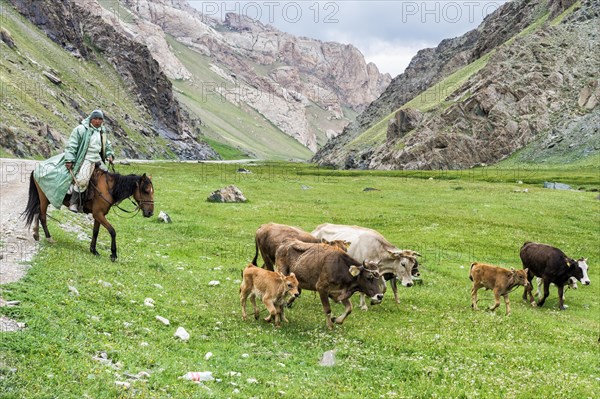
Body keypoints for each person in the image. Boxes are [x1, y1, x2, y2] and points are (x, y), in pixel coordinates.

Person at [64, 109, 115, 212]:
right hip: (85, 158)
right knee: (82, 180)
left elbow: (107, 145)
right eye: (95, 119)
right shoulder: (81, 129)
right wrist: (69, 159)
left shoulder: (102, 131)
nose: (98, 121)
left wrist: (110, 155)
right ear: (91, 119)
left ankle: (99, 202)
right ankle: (73, 203)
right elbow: (72, 145)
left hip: (97, 158)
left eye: (100, 119)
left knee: (109, 179)